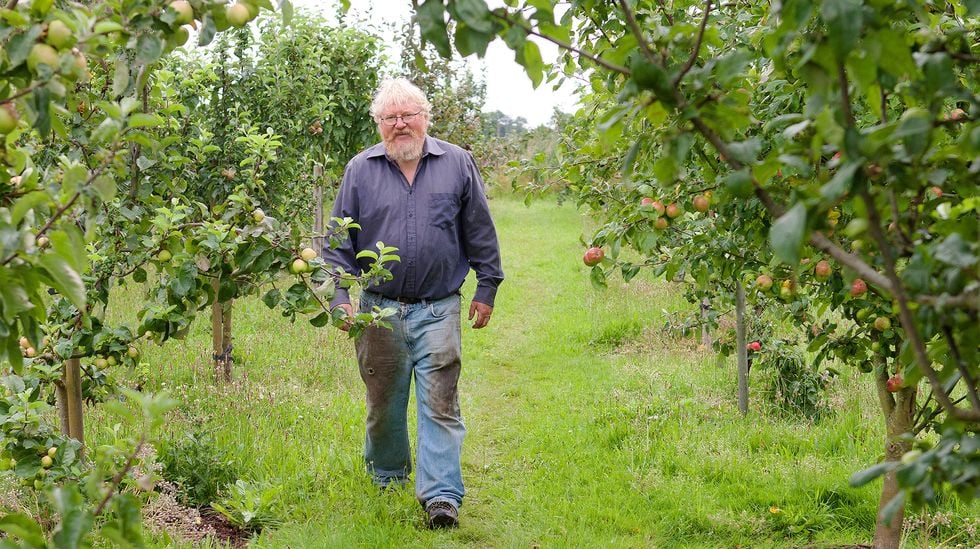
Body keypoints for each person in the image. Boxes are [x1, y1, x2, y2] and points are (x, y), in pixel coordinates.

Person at [322, 78, 504, 529]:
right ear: (379, 123)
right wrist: (340, 296)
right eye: (390, 117)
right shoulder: (360, 170)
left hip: (438, 305)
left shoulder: (457, 163)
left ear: (426, 116)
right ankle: (387, 477)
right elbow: (338, 242)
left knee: (441, 402)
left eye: (409, 114)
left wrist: (487, 286)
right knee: (383, 402)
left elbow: (479, 227)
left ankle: (441, 496)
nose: (401, 124)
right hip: (378, 308)